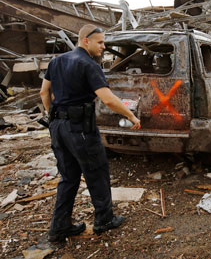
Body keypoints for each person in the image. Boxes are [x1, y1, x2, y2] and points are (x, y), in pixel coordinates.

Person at [40, 24, 141, 242]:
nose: (104, 47)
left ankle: (60, 227)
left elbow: (43, 91)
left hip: (58, 127)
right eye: (100, 42)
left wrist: (54, 116)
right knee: (96, 172)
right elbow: (108, 99)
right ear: (86, 40)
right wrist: (132, 117)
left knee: (68, 178)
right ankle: (104, 220)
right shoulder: (88, 64)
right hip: (80, 129)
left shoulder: (56, 61)